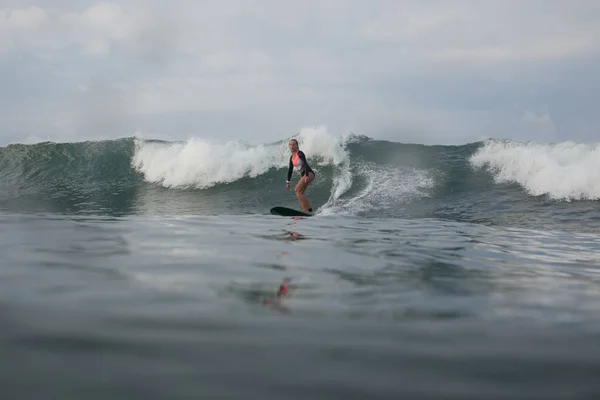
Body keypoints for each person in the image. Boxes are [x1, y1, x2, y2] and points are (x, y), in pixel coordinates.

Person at [286, 139, 315, 213]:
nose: (292, 146)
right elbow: (290, 170)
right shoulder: (292, 157)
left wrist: (306, 175)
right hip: (305, 175)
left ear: (297, 145)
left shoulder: (300, 153)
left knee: (297, 190)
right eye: (290, 144)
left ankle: (305, 209)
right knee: (300, 193)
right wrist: (288, 182)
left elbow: (305, 163)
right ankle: (310, 210)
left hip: (308, 174)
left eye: (294, 144)